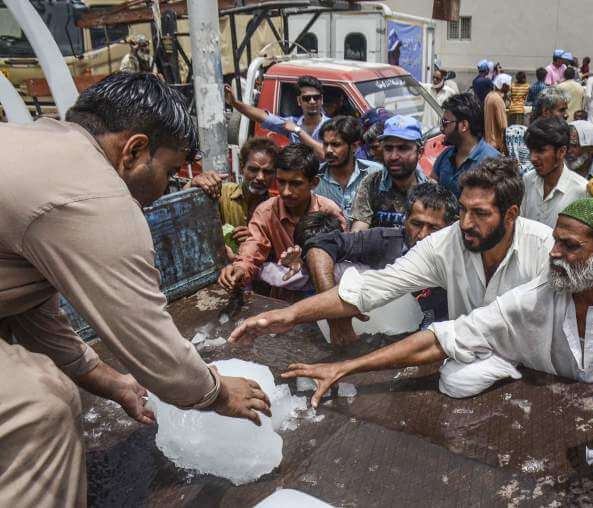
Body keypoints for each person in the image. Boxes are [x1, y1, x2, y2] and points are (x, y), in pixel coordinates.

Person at [0, 72, 270, 506]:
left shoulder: (41, 146)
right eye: (170, 170)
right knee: (41, 405)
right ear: (135, 149)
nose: (168, 185)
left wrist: (113, 383)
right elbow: (147, 339)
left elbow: (30, 309)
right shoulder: (95, 196)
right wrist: (216, 392)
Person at [278, 198, 593, 405]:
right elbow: (441, 339)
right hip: (547, 419)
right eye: (554, 241)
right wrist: (345, 368)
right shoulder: (538, 296)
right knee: (455, 378)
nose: (554, 253)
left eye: (570, 247)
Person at [228, 158, 555, 398]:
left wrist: (349, 367)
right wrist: (287, 315)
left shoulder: (544, 248)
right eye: (465, 210)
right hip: (467, 352)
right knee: (455, 382)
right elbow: (371, 288)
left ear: (510, 215)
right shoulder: (445, 244)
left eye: (481, 213)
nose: (467, 223)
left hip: (538, 363)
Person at [286, 183, 459, 344]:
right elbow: (319, 246)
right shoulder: (386, 240)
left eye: (434, 228)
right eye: (416, 224)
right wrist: (335, 317)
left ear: (452, 228)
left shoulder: (464, 257)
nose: (422, 235)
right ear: (405, 220)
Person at [218, 144, 345, 291]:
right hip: (284, 296)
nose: (285, 192)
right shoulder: (266, 212)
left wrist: (306, 261)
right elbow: (253, 248)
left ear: (314, 183)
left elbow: (342, 256)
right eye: (281, 182)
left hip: (325, 292)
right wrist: (240, 269)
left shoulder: (330, 210)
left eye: (295, 184)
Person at [189, 138, 281, 260]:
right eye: (253, 169)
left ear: (275, 174)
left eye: (267, 172)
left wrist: (257, 240)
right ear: (242, 167)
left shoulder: (278, 210)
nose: (260, 177)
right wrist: (193, 184)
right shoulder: (221, 193)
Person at [350, 115, 430, 231]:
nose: (393, 157)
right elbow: (358, 234)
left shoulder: (431, 190)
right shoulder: (371, 184)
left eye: (403, 148)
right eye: (388, 148)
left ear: (420, 152)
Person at [225, 76, 329, 160]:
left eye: (316, 97)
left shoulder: (332, 126)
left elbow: (324, 154)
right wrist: (235, 104)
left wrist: (298, 131)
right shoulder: (293, 122)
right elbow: (263, 117)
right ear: (299, 101)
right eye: (306, 98)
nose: (312, 101)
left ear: (322, 100)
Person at [521, 117, 589, 228]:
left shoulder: (581, 190)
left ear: (562, 152)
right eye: (531, 150)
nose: (532, 158)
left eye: (540, 151)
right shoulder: (527, 180)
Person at [315, 116, 383, 221]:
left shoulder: (376, 173)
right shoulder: (314, 177)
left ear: (355, 146)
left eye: (335, 145)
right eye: (325, 144)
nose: (328, 150)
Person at [432, 93, 500, 196]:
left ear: (464, 125)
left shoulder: (493, 163)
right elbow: (430, 187)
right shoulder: (445, 156)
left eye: (445, 122)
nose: (441, 129)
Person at [484, 74, 510, 151]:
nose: (510, 88)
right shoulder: (498, 100)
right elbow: (503, 125)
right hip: (496, 144)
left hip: (488, 141)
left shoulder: (489, 96)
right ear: (504, 86)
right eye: (508, 85)